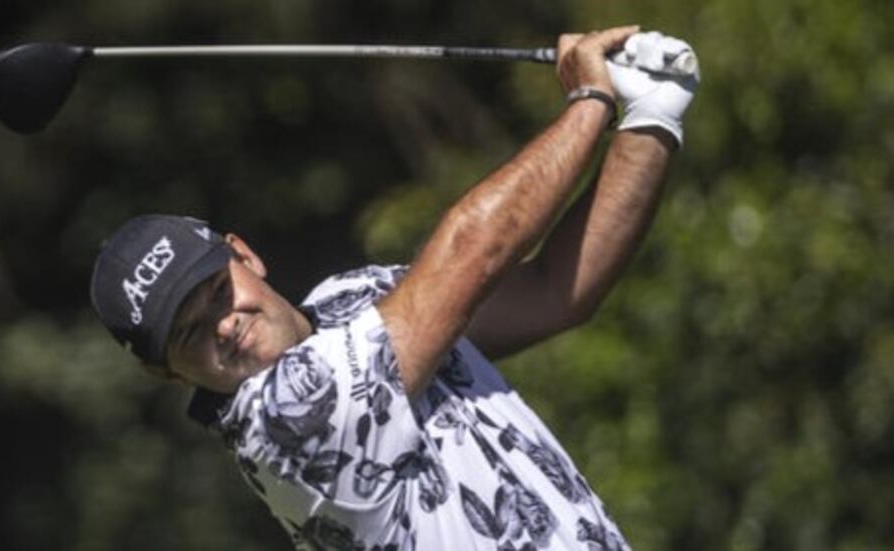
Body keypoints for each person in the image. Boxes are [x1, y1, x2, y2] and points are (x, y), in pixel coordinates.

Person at [89, 26, 698, 551]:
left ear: (244, 255)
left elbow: (553, 291)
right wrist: (591, 99)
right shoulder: (281, 422)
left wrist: (650, 119)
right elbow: (476, 248)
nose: (225, 325)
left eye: (218, 292)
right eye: (191, 333)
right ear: (165, 373)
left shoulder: (353, 297)